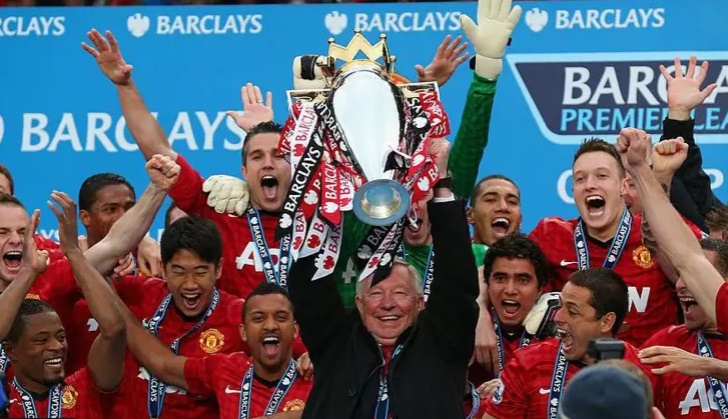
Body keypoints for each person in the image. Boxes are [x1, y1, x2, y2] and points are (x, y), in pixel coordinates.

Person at [287, 135, 479, 418]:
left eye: (400, 293)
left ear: (420, 303)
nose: (387, 304)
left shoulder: (441, 344)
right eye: (376, 294)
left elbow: (457, 279)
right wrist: (319, 187)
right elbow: (308, 286)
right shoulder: (337, 344)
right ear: (359, 303)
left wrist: (440, 184)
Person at [528, 137, 703, 347]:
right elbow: (500, 272)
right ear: (573, 191)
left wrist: (661, 175)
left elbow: (711, 273)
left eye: (602, 176)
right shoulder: (551, 235)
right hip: (574, 364)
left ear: (623, 186)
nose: (590, 185)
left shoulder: (656, 232)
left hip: (648, 364)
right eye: (580, 179)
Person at [1, 190, 128, 418]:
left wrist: (73, 252)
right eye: (41, 340)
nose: (56, 346)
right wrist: (29, 271)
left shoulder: (85, 388)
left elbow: (115, 329)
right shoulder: (5, 401)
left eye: (61, 337)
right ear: (10, 351)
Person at [120, 282, 311, 419]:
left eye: (281, 317)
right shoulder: (224, 369)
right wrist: (114, 304)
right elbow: (163, 364)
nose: (270, 326)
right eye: (258, 318)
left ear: (295, 331)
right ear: (243, 332)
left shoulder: (316, 379)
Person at [483, 268, 656, 419]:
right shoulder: (527, 364)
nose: (558, 317)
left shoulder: (643, 373)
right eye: (560, 306)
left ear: (606, 322)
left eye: (572, 311)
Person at [639, 238, 728, 418]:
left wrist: (710, 366)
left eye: (695, 276)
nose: (680, 284)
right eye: (680, 274)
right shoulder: (665, 344)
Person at [470, 233, 549, 388]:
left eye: (523, 280)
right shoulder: (466, 328)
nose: (510, 290)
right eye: (500, 278)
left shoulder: (556, 333)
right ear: (487, 284)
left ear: (540, 288)